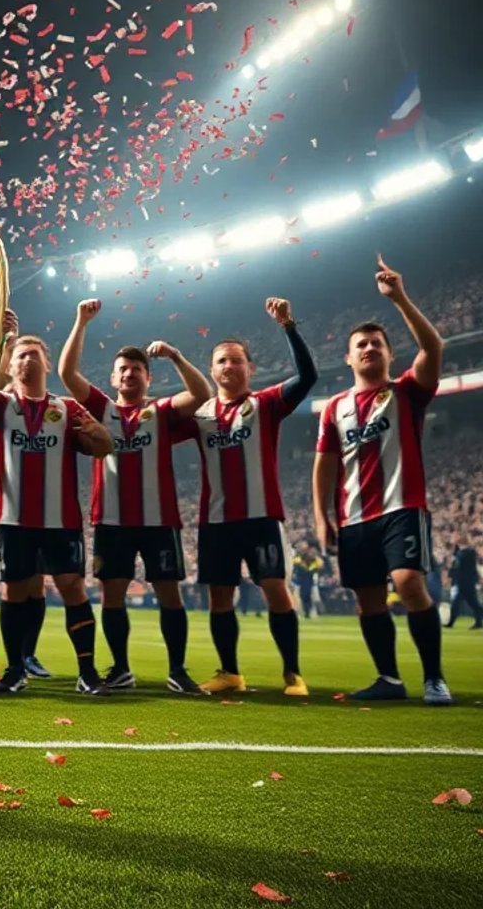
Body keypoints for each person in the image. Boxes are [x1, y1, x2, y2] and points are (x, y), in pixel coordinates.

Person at [312, 257, 450, 705]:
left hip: (402, 508)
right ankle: (388, 678)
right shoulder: (334, 408)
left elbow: (434, 347)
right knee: (368, 600)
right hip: (353, 519)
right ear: (348, 357)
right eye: (362, 345)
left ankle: (434, 678)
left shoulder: (407, 391)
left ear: (390, 354)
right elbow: (324, 465)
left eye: (377, 344)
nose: (369, 349)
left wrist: (399, 299)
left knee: (409, 582)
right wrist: (320, 517)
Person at [58, 298, 213, 695]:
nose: (130, 374)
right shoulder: (102, 409)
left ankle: (178, 670)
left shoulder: (161, 411)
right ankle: (122, 669)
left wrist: (176, 356)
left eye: (137, 369)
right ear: (113, 378)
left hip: (159, 520)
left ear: (148, 378)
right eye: (123, 369)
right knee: (112, 595)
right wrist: (81, 321)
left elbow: (201, 391)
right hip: (111, 521)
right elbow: (66, 372)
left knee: (169, 593)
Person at [0, 313, 115, 696]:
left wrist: (101, 435)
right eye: (20, 355)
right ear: (11, 363)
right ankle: (15, 669)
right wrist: (0, 339)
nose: (26, 360)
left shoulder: (67, 408)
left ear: (47, 363)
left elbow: (103, 448)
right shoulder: (0, 405)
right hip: (12, 519)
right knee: (14, 592)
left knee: (72, 587)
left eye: (33, 353)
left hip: (61, 518)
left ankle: (87, 673)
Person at [188, 297, 316, 697]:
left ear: (250, 368)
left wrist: (288, 327)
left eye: (235, 360)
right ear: (212, 370)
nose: (228, 366)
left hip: (261, 517)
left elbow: (308, 377)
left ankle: (292, 673)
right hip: (216, 521)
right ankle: (230, 673)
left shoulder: (266, 403)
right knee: (219, 597)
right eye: (221, 361)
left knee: (276, 588)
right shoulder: (201, 414)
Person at [447, 532, 481, 629]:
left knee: (473, 603)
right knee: (458, 603)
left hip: (468, 582)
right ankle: (451, 622)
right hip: (461, 582)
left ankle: (451, 622)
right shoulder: (459, 552)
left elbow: (462, 562)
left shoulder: (469, 552)